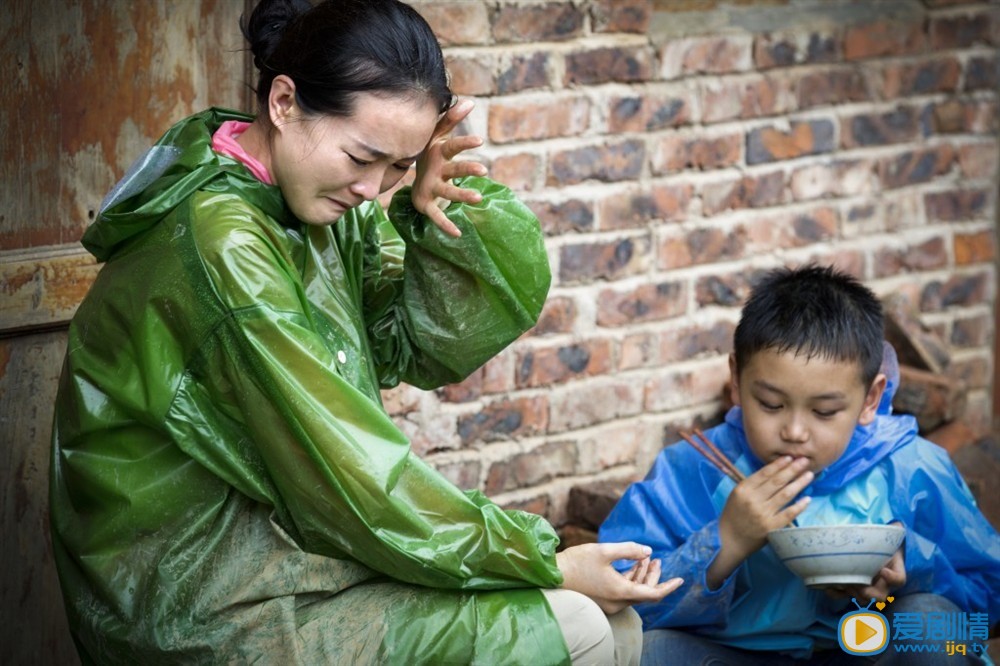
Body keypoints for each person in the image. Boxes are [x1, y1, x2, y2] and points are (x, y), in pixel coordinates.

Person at [49, 1, 682, 663]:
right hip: (203, 594)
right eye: (364, 157)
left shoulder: (317, 202)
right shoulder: (222, 244)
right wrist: (543, 560)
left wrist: (433, 216)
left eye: (398, 169)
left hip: (300, 554)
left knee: (612, 624)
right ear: (285, 102)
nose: (371, 187)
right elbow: (347, 475)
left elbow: (411, 344)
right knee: (577, 626)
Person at [598, 264, 1000, 664]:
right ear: (737, 380)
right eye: (771, 404)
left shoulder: (911, 468)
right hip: (736, 656)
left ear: (871, 399)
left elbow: (989, 601)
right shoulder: (693, 470)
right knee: (652, 652)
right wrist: (725, 543)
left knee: (932, 625)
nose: (794, 431)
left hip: (865, 654)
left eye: (824, 412)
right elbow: (616, 598)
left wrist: (912, 565)